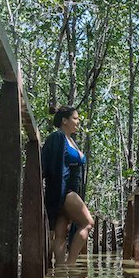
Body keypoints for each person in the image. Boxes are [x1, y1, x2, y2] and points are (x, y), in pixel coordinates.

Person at [41, 105, 94, 265]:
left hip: (66, 192)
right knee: (88, 223)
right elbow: (53, 168)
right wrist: (59, 194)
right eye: (75, 118)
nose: (78, 122)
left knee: (61, 235)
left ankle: (61, 269)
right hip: (64, 191)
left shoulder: (70, 140)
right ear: (65, 120)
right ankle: (70, 264)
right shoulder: (57, 138)